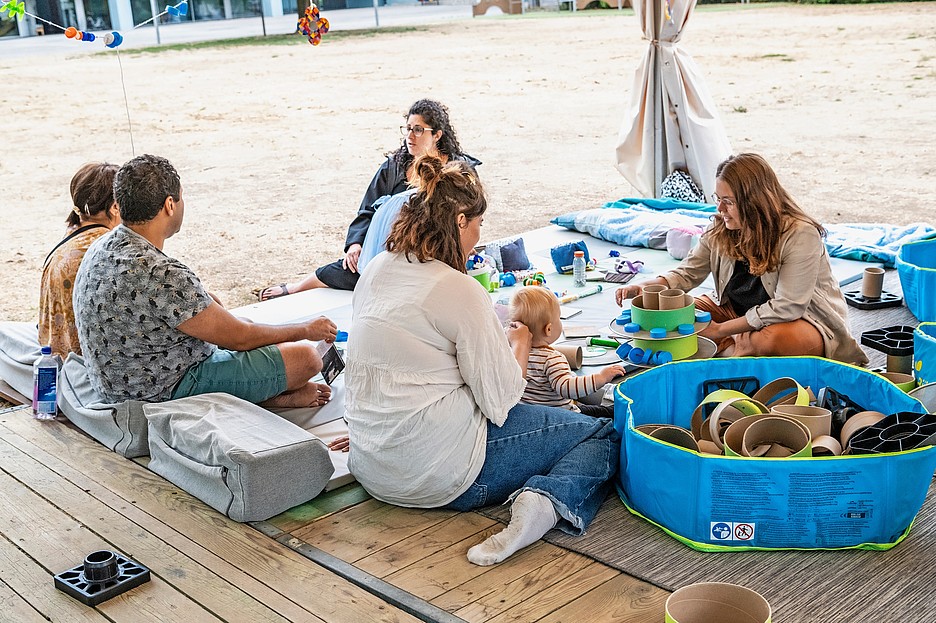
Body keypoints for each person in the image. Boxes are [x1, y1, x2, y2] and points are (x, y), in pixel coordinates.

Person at [343, 155, 620, 567]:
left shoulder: (377, 268)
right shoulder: (458, 288)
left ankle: (536, 493)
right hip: (444, 477)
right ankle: (542, 503)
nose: (478, 237)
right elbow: (503, 400)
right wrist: (521, 343)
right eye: (478, 225)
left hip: (372, 467)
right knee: (606, 432)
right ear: (459, 221)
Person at [74, 155, 338, 407]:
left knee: (230, 315)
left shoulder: (102, 246)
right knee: (306, 357)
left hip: (115, 383)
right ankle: (270, 398)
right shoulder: (160, 273)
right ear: (169, 205)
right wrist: (306, 329)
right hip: (161, 390)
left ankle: (263, 393)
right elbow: (241, 340)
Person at [615, 153, 868, 364]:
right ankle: (736, 350)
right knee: (672, 314)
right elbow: (687, 274)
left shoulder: (800, 234)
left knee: (772, 340)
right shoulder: (721, 226)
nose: (719, 209)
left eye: (728, 201)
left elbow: (788, 307)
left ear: (754, 202)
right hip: (735, 312)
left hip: (799, 321)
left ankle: (727, 349)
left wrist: (721, 330)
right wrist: (645, 286)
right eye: (717, 199)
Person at [258, 99, 480, 300]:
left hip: (438, 248)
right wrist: (355, 244)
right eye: (408, 129)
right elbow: (367, 209)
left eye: (419, 130)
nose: (410, 136)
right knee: (345, 270)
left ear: (437, 135)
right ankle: (297, 287)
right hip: (389, 248)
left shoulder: (459, 170)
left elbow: (473, 213)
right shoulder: (394, 167)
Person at [39, 163, 121, 358]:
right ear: (116, 207)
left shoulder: (74, 233)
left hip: (51, 348)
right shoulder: (103, 247)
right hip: (78, 360)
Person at [508, 286, 625, 418]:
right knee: (608, 414)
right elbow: (568, 388)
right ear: (549, 330)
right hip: (562, 417)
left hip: (533, 416)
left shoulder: (515, 355)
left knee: (588, 407)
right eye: (558, 318)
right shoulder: (551, 359)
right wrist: (601, 377)